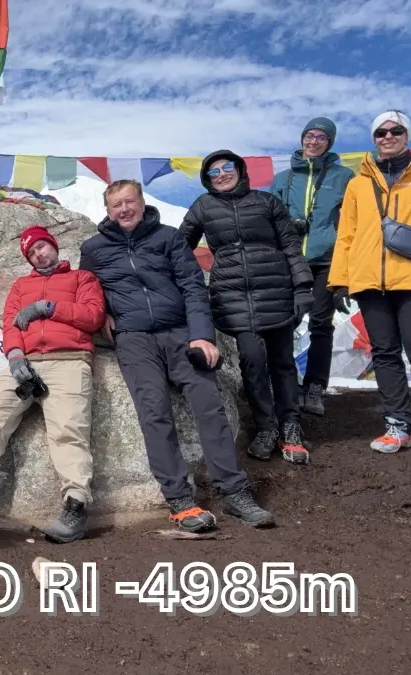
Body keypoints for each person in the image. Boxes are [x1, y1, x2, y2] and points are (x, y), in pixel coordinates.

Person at [82, 180, 274, 532]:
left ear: (142, 203)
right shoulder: (93, 248)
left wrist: (201, 335)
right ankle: (180, 500)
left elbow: (192, 287)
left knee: (208, 404)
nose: (124, 209)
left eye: (130, 201)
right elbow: (87, 289)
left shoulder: (168, 237)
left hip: (179, 333)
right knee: (154, 412)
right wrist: (102, 313)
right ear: (107, 211)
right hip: (134, 339)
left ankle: (235, 492)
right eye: (116, 205)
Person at [0, 225, 105, 544]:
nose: (38, 254)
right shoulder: (20, 286)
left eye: (42, 246)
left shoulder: (82, 278)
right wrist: (16, 356)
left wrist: (49, 308)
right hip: (25, 363)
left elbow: (93, 316)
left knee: (68, 430)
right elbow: (10, 324)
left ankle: (75, 507)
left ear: (53, 245)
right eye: (31, 253)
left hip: (68, 360)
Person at [328, 110, 411, 459]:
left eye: (396, 130)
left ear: (407, 135)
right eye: (381, 132)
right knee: (384, 355)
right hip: (369, 281)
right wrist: (340, 280)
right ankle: (398, 425)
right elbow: (347, 235)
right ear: (374, 139)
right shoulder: (358, 184)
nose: (388, 136)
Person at [179, 151, 314, 464]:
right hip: (234, 297)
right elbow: (179, 247)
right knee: (252, 361)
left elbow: (291, 246)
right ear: (207, 179)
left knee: (283, 363)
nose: (222, 175)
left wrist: (303, 286)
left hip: (276, 290)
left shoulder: (267, 203)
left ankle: (291, 425)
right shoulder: (202, 207)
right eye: (214, 172)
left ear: (240, 169)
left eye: (227, 167)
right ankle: (266, 426)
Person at [271, 117, 356, 416]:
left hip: (327, 261)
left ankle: (315, 387)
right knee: (283, 323)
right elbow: (269, 219)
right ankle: (284, 383)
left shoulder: (344, 177)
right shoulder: (283, 179)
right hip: (289, 260)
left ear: (329, 143)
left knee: (321, 324)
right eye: (310, 135)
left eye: (322, 137)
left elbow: (354, 221)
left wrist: (348, 271)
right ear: (302, 138)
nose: (314, 141)